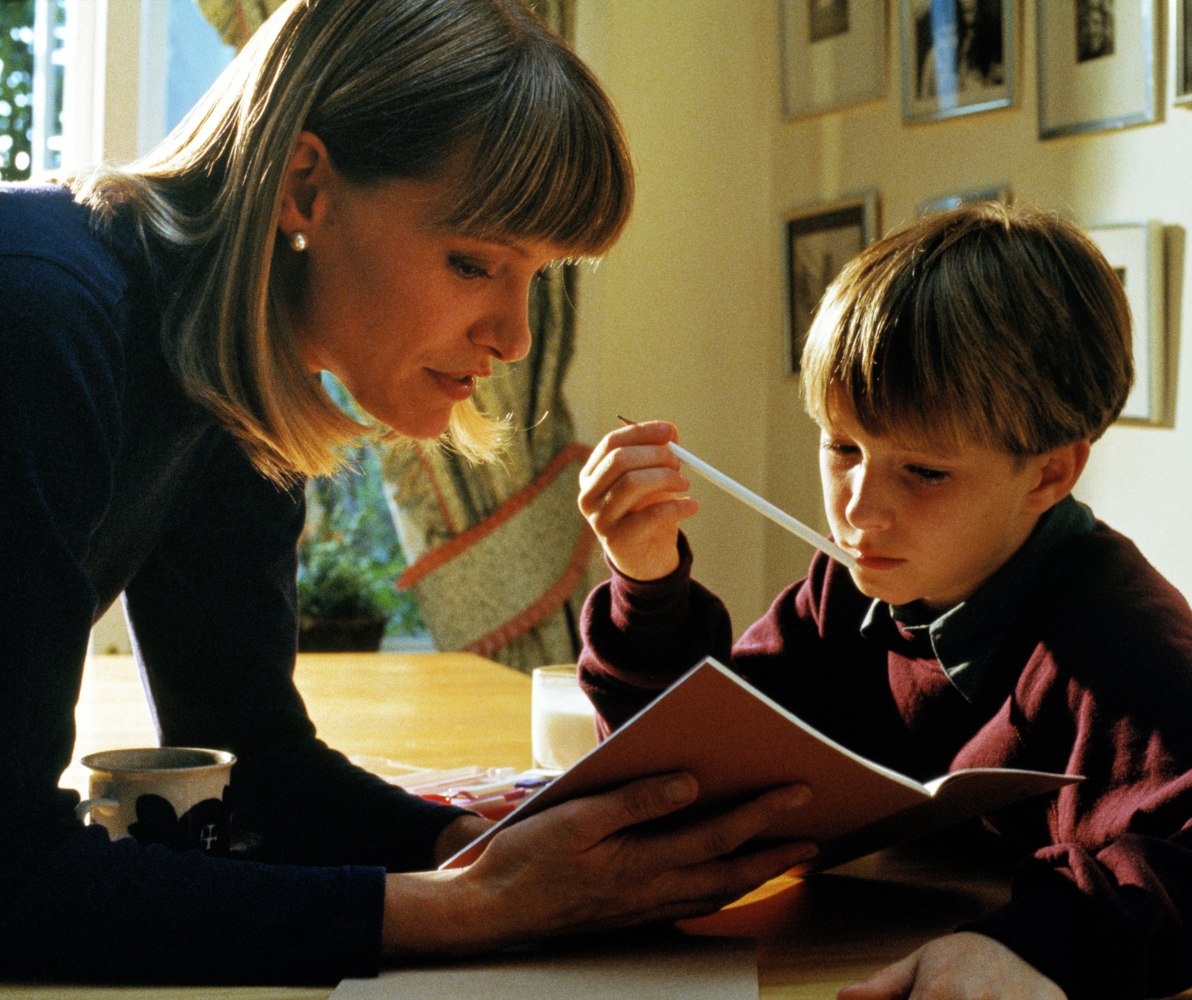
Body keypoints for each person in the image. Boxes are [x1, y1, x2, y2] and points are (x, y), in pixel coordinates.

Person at [0, 0, 815, 985]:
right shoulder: (39, 317)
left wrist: (480, 846)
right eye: (474, 262)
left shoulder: (219, 377)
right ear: (305, 185)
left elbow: (255, 768)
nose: (514, 336)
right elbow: (11, 875)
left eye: (539, 278)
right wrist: (472, 905)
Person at [576, 203, 1192, 1000]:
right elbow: (693, 773)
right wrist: (648, 588)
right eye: (843, 447)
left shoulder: (1109, 643)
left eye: (925, 471)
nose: (859, 508)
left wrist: (1048, 938)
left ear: (1049, 473)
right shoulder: (858, 589)